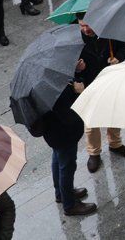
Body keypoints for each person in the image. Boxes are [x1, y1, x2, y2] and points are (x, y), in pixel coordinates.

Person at [30, 77, 97, 216]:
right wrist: (78, 92)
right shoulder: (52, 86)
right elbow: (68, 114)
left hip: (53, 133)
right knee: (67, 167)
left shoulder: (39, 82)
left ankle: (61, 193)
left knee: (57, 159)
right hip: (64, 133)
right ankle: (70, 204)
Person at [76, 17, 125, 173]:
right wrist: (78, 69)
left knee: (114, 113)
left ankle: (115, 143)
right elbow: (68, 64)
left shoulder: (109, 31)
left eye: (88, 25)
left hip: (110, 80)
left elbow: (123, 46)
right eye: (82, 26)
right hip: (89, 84)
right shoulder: (75, 40)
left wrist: (118, 58)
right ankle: (94, 152)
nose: (85, 29)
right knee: (91, 122)